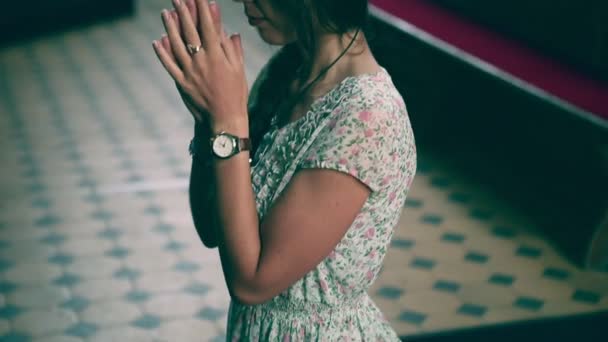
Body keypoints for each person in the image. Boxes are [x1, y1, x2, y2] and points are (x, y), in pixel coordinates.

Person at [152, 0, 417, 340]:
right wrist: (208, 119)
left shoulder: (368, 116)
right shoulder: (286, 72)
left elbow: (251, 282)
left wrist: (228, 120)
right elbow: (211, 227)